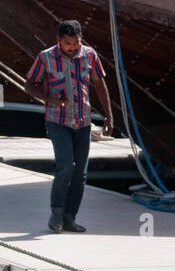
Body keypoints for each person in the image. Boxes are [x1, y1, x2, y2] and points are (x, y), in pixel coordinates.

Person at [25, 20, 116, 233]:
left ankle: (69, 217)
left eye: (76, 42)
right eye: (68, 43)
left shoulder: (90, 55)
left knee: (80, 174)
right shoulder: (46, 57)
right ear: (59, 41)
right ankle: (56, 213)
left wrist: (109, 117)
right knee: (66, 166)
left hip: (83, 121)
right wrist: (50, 99)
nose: (73, 47)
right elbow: (29, 85)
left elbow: (100, 84)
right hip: (58, 121)